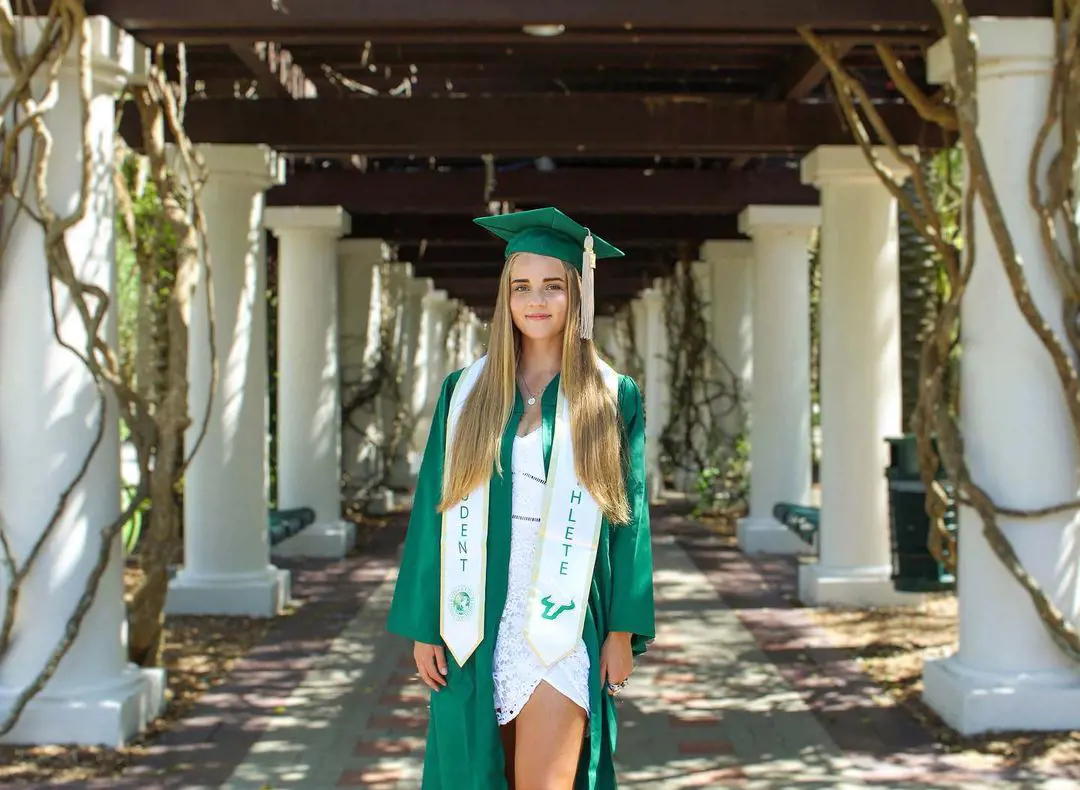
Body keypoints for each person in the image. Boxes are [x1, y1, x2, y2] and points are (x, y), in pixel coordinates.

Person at [387, 207, 655, 790]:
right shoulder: (466, 394)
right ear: (505, 297)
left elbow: (629, 521)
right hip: (473, 616)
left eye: (553, 286)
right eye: (522, 287)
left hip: (561, 619)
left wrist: (621, 633)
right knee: (476, 775)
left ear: (577, 294)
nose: (537, 301)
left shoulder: (611, 397)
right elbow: (434, 508)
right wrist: (424, 625)